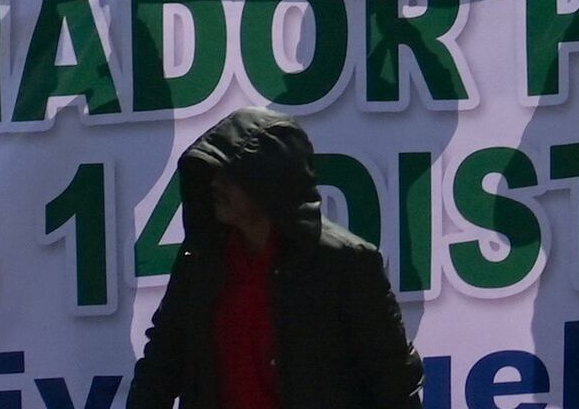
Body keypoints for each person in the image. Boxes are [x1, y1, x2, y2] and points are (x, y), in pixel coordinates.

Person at [126, 110, 416, 409]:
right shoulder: (201, 256)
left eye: (228, 176)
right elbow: (162, 361)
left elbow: (393, 381)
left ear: (267, 183)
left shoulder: (346, 264)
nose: (214, 185)